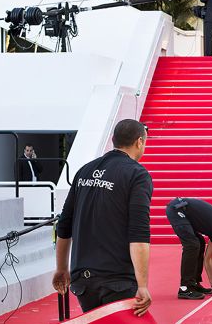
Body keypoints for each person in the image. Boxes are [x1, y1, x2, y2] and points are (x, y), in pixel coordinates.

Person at [53, 119, 153, 316]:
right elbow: (139, 234)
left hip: (83, 281)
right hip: (118, 280)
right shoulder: (137, 175)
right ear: (139, 142)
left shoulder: (85, 170)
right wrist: (143, 285)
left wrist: (62, 268)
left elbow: (64, 225)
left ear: (114, 139)